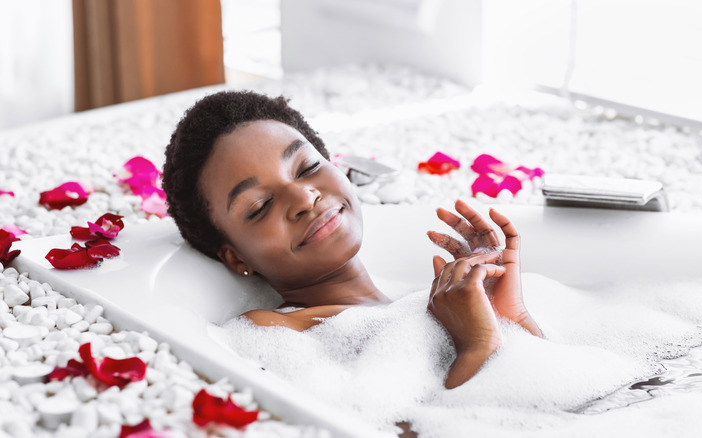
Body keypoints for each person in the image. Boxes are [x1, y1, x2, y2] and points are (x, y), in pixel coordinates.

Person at [162, 90, 543, 389]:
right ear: (235, 258)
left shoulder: (426, 302)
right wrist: (477, 344)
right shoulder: (273, 333)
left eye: (308, 167)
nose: (304, 198)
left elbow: (551, 395)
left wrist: (509, 316)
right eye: (260, 206)